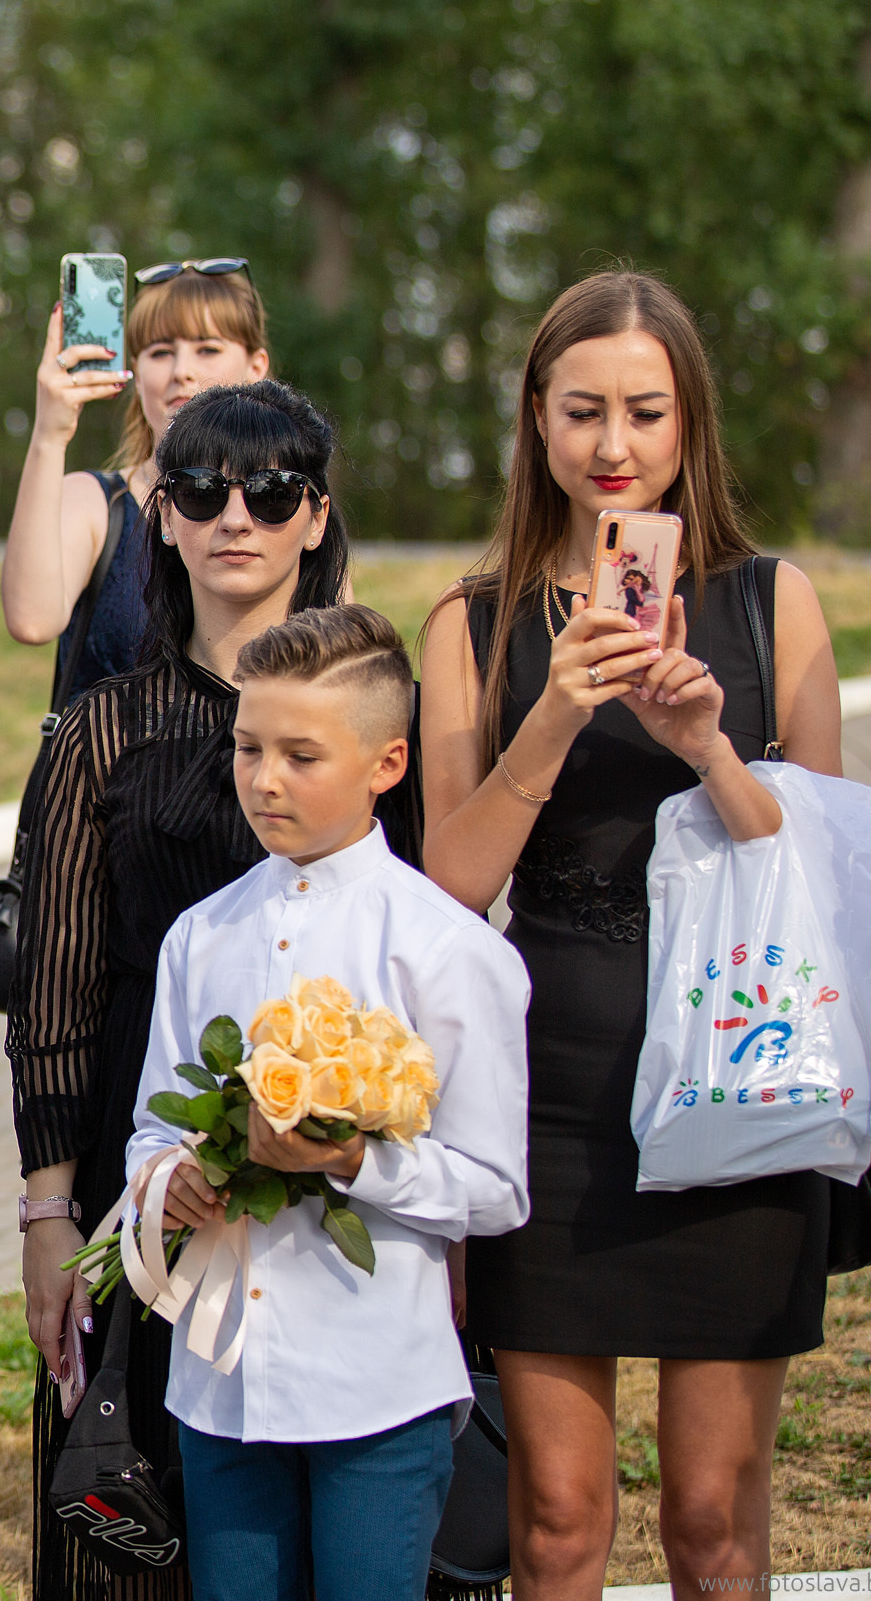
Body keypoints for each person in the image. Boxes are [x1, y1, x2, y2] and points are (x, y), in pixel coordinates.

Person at [419, 270, 843, 1599]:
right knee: (554, 1512)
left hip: (739, 1072)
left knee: (714, 1515)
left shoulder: (776, 605)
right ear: (536, 420)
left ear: (689, 422)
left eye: (645, 412)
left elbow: (821, 876)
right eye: (583, 409)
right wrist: (553, 712)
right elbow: (444, 890)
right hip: (548, 1089)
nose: (613, 446)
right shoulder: (473, 623)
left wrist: (707, 744)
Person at [8, 379, 418, 1601]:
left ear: (314, 515)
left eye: (270, 489)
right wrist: (45, 1217)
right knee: (128, 1534)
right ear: (163, 521)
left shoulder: (384, 714)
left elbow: (425, 945)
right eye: (199, 489)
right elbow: (55, 1000)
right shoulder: (100, 732)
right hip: (147, 1187)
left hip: (348, 1191)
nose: (234, 514)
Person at [128, 603, 530, 1599]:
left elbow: (496, 1191)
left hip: (375, 1383)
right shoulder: (200, 936)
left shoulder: (446, 950)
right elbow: (151, 1121)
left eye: (301, 755)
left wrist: (349, 1158)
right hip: (220, 1380)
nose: (264, 779)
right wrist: (166, 1179)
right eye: (247, 747)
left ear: (385, 764)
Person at [0, 259, 272, 704]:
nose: (181, 369)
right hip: (106, 772)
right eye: (160, 352)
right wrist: (50, 436)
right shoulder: (95, 502)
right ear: (135, 371)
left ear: (255, 366)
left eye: (207, 348)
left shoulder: (289, 503)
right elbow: (31, 621)